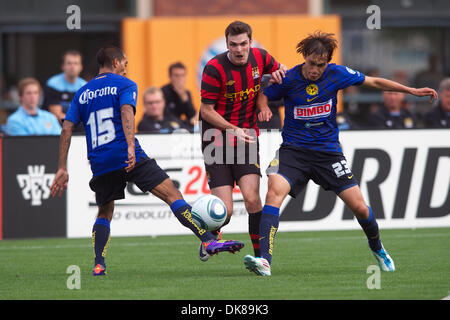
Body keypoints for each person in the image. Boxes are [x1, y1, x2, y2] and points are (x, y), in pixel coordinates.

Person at [244, 31, 437, 276]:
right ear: (304, 57)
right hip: (294, 152)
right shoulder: (290, 78)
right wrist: (262, 106)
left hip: (328, 154)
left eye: (321, 65)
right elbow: (263, 95)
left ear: (328, 63)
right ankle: (265, 261)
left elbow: (374, 82)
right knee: (273, 192)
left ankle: (378, 248)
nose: (315, 70)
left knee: (360, 208)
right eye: (312, 64)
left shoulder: (337, 74)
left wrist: (411, 90)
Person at [49, 45, 244, 276]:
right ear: (115, 63)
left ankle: (99, 263)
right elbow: (126, 112)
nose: (125, 68)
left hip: (100, 161)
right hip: (127, 154)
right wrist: (131, 146)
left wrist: (62, 167)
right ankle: (208, 241)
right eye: (125, 64)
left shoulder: (82, 93)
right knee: (173, 195)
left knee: (104, 212)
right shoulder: (125, 84)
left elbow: (66, 128)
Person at [199, 20, 287, 262]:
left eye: (243, 44)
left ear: (251, 41)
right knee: (224, 211)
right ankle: (211, 235)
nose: (238, 49)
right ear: (227, 44)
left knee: (252, 198)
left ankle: (261, 259)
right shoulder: (214, 68)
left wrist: (264, 101)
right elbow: (206, 111)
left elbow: (280, 73)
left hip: (246, 138)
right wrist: (233, 129)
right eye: (233, 45)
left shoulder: (261, 58)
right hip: (215, 139)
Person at [44, 50, 87, 128]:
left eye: (76, 63)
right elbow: (57, 114)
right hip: (56, 129)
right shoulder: (53, 84)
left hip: (78, 128)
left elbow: (86, 112)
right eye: (69, 63)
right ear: (63, 66)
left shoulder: (85, 86)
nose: (72, 67)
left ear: (81, 67)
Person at [161, 62, 196, 132]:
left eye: (182, 75)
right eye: (176, 75)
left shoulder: (187, 93)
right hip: (167, 127)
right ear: (170, 77)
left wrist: (184, 99)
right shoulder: (163, 92)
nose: (180, 79)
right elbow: (165, 115)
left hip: (182, 128)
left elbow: (192, 116)